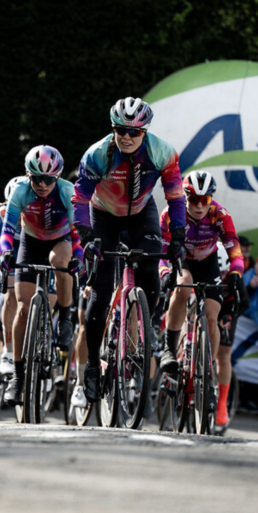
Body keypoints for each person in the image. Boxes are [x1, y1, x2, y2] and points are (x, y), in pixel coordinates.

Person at [73, 97, 185, 404]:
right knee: (100, 290)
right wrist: (85, 234)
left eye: (133, 132)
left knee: (150, 263)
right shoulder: (98, 153)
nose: (125, 136)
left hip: (140, 213)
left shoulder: (163, 152)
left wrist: (178, 233)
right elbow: (80, 197)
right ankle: (94, 366)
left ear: (145, 132)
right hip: (103, 216)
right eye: (120, 129)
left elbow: (176, 197)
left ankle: (146, 325)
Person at [157, 170, 245, 428]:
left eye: (204, 200)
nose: (198, 206)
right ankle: (170, 349)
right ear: (184, 197)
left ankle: (208, 369)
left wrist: (237, 272)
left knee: (212, 314)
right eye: (193, 199)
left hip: (208, 264)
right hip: (182, 261)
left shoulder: (221, 215)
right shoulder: (171, 214)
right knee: (182, 287)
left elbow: (234, 249)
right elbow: (163, 251)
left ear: (211, 200)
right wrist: (164, 272)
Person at [0, 145, 83, 406]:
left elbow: (77, 234)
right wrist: (5, 253)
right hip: (31, 242)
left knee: (62, 261)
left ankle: (66, 317)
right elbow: (7, 232)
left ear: (57, 177)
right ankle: (18, 377)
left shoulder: (68, 192)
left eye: (49, 179)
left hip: (60, 239)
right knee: (23, 308)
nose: (43, 184)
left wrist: (78, 257)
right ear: (28, 175)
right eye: (37, 178)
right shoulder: (21, 192)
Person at [0, 178, 23, 378]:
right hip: (10, 251)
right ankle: (9, 352)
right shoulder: (0, 215)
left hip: (33, 248)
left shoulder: (37, 211)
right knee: (10, 294)